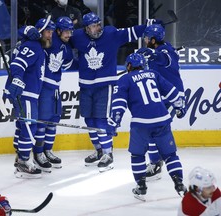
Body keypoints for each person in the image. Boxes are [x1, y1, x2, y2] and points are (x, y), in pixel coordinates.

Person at [69, 12, 163, 173]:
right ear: (86, 29)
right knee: (89, 120)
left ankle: (108, 153)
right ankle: (99, 150)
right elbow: (61, 40)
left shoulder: (110, 34)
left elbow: (132, 32)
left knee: (100, 120)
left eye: (99, 24)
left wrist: (149, 26)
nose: (98, 28)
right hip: (85, 86)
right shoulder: (77, 36)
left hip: (105, 86)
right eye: (94, 26)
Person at [109, 53, 187, 200]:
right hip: (162, 120)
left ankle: (141, 187)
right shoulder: (153, 74)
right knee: (170, 155)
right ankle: (179, 184)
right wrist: (179, 106)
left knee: (138, 155)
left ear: (129, 66)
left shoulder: (124, 79)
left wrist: (114, 122)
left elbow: (119, 103)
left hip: (141, 123)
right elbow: (172, 92)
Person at [4, 18, 55, 179]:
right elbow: (17, 64)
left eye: (52, 32)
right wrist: (18, 80)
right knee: (29, 127)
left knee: (22, 127)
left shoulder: (33, 45)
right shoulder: (33, 46)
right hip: (25, 94)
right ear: (39, 32)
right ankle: (24, 162)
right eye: (48, 32)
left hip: (27, 94)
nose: (50, 35)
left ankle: (21, 157)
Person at [137, 24, 186, 181]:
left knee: (158, 130)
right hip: (160, 97)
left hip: (173, 97)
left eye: (146, 38)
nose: (144, 40)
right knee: (152, 129)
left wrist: (153, 54)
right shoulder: (160, 49)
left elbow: (165, 59)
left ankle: (159, 163)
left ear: (153, 40)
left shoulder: (166, 51)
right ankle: (156, 162)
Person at [33, 16, 75, 172]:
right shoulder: (50, 41)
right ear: (58, 31)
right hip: (44, 87)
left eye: (71, 31)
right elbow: (38, 35)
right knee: (42, 121)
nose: (69, 34)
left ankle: (47, 150)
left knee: (53, 121)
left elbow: (68, 65)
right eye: (66, 31)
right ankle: (38, 153)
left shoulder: (67, 49)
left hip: (56, 88)